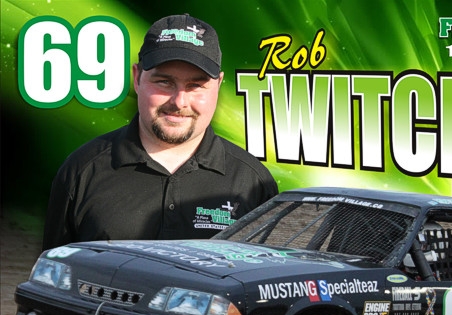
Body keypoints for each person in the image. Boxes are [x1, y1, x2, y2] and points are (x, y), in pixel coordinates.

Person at [42, 14, 278, 251]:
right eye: (164, 82)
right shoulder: (82, 171)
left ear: (218, 85)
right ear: (137, 78)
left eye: (196, 85)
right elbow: (54, 269)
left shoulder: (254, 183)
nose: (179, 101)